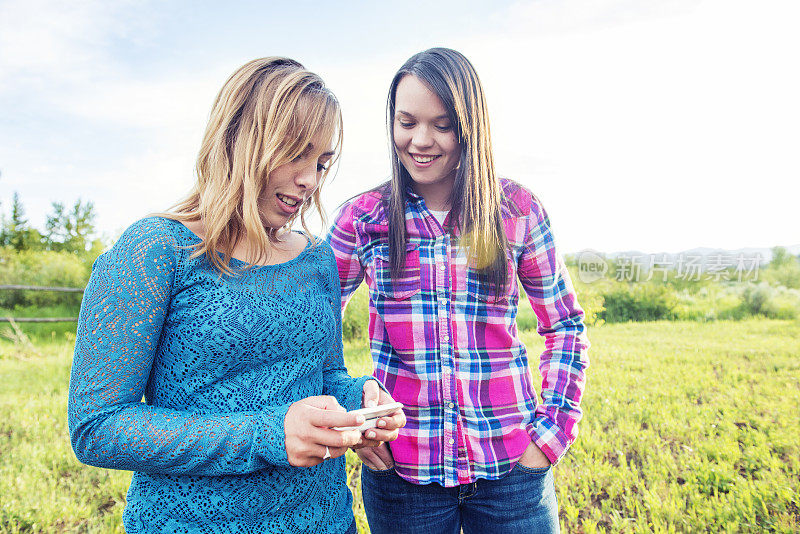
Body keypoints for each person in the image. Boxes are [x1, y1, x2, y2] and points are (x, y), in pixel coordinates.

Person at [68, 57, 404, 534]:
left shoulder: (316, 259)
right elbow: (97, 426)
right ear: (240, 138)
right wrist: (267, 434)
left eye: (322, 163)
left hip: (327, 521)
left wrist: (361, 397)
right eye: (296, 153)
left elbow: (325, 376)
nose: (310, 179)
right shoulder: (154, 252)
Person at [327, 47, 589, 534]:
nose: (420, 141)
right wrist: (354, 424)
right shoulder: (363, 218)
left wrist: (548, 438)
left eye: (442, 125)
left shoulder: (517, 210)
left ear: (470, 126)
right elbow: (312, 333)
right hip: (403, 478)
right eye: (406, 122)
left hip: (513, 473)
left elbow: (566, 325)